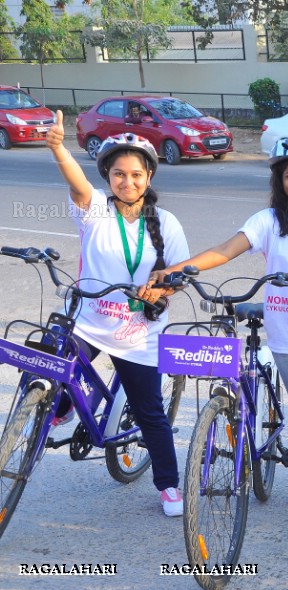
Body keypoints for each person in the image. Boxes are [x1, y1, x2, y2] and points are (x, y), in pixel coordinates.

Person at [147, 137, 288, 524]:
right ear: (280, 181)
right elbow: (226, 250)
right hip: (286, 337)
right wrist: (177, 270)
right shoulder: (266, 222)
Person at [45, 112, 189, 517]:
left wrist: (161, 287)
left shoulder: (167, 222)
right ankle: (60, 406)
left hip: (138, 333)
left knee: (149, 413)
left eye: (136, 174)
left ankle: (169, 486)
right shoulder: (95, 211)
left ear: (149, 178)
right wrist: (58, 148)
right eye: (119, 174)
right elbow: (76, 184)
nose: (128, 182)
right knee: (50, 366)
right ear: (107, 177)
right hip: (90, 322)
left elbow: (180, 272)